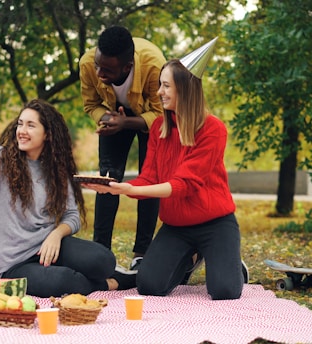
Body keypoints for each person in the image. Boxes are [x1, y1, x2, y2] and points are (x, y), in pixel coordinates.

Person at [83, 39, 246, 300]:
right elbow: (149, 178)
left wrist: (126, 188)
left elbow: (185, 184)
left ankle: (230, 264)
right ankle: (192, 257)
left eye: (166, 86)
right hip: (176, 225)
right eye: (160, 85)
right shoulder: (159, 127)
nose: (159, 92)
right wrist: (115, 188)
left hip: (215, 223)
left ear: (185, 89)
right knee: (150, 285)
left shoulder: (214, 129)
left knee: (224, 291)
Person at [0, 99, 137, 297]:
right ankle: (108, 284)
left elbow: (72, 216)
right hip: (16, 264)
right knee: (65, 280)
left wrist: (56, 235)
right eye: (20, 123)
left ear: (47, 134)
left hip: (52, 247)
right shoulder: (0, 158)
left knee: (104, 260)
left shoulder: (55, 169)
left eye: (30, 125)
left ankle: (98, 276)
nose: (21, 130)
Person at [79, 26, 164, 269]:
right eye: (98, 65)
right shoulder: (88, 63)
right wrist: (105, 119)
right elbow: (91, 105)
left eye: (107, 70)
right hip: (112, 115)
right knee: (108, 179)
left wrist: (126, 122)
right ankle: (101, 251)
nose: (99, 72)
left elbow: (159, 114)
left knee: (149, 181)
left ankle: (142, 254)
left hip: (149, 118)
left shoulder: (153, 65)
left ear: (127, 67)